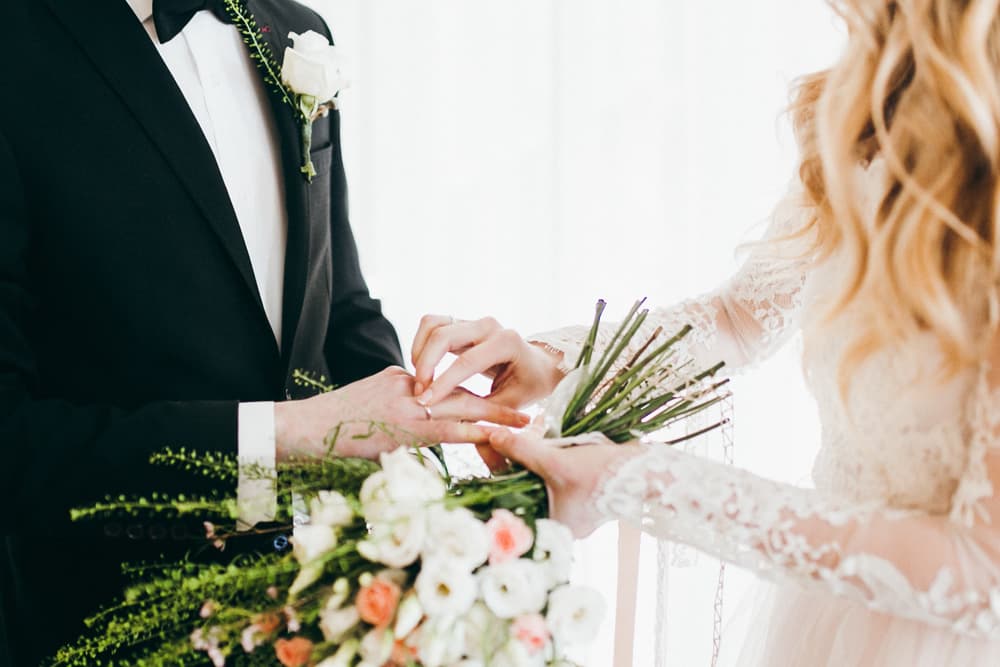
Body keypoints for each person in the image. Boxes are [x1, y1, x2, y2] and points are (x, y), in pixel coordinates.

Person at [411, 1, 1000, 664]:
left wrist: (641, 480)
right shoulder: (869, 111)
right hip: (827, 625)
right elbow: (737, 320)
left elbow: (983, 569)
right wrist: (555, 360)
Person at [0, 1, 525, 664]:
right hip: (103, 626)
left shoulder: (299, 32)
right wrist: (288, 438)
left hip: (314, 616)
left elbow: (339, 307)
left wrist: (428, 431)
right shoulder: (15, 47)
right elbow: (12, 443)